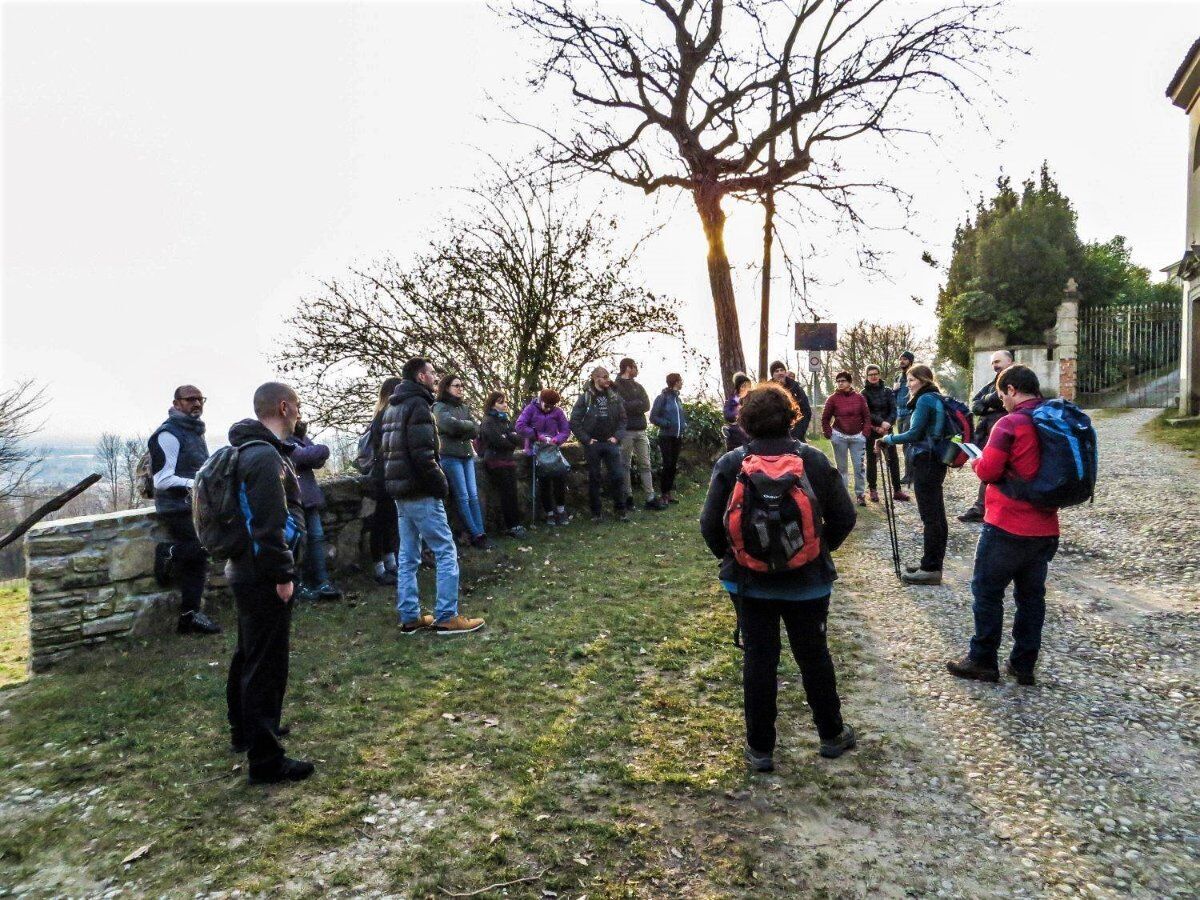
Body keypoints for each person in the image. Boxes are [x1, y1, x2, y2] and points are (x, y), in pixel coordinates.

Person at [699, 383, 858, 771]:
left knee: (759, 658)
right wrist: (815, 551)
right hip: (809, 582)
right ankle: (831, 734)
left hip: (748, 583)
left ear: (745, 421)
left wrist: (735, 556)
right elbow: (845, 517)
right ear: (792, 416)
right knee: (813, 655)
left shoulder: (731, 462)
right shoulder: (813, 459)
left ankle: (760, 749)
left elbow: (709, 525)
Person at [947, 364, 1059, 686]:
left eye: (1001, 394)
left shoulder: (1009, 424)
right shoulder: (1052, 418)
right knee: (1031, 598)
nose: (1002, 401)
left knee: (987, 591)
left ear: (1011, 389)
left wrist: (975, 460)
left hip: (1007, 525)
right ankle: (1024, 664)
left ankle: (982, 660)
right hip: (1045, 527)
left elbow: (989, 471)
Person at [225, 382, 312, 784]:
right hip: (262, 574)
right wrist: (283, 574)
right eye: (296, 405)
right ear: (283, 406)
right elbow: (268, 524)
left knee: (249, 654)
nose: (298, 412)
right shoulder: (263, 457)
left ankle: (247, 732)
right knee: (266, 665)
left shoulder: (249, 450)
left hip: (246, 569)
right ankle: (266, 759)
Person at [381, 358, 485, 635]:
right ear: (420, 376)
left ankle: (409, 616)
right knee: (445, 551)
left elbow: (390, 452)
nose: (436, 377)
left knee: (408, 555)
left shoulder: (394, 405)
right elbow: (423, 454)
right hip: (420, 491)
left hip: (400, 492)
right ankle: (447, 616)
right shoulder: (418, 406)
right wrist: (441, 484)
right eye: (432, 372)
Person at [148, 385, 221, 636]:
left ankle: (189, 616)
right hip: (175, 507)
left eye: (200, 399)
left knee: (197, 562)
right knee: (202, 549)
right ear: (176, 403)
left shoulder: (194, 431)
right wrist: (197, 484)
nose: (197, 403)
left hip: (194, 504)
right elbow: (162, 479)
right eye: (190, 399)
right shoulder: (168, 434)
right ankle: (168, 551)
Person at [880, 364, 949, 585]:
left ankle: (930, 569)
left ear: (923, 380)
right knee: (937, 514)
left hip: (925, 460)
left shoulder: (925, 399)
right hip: (936, 459)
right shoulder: (935, 397)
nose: (908, 384)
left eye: (911, 380)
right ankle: (932, 564)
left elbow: (914, 433)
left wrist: (887, 439)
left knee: (930, 517)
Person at [287, 421, 342, 602]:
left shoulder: (300, 437)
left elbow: (315, 460)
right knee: (298, 542)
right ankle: (299, 585)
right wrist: (319, 451)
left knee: (317, 538)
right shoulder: (281, 438)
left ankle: (322, 582)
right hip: (293, 500)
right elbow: (301, 456)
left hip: (309, 498)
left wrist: (317, 451)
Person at [958, 349, 1015, 523]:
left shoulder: (1016, 381)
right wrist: (987, 404)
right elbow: (974, 404)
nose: (995, 366)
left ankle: (983, 509)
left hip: (1003, 434)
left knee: (996, 471)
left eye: (998, 361)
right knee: (989, 470)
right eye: (993, 363)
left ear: (1010, 362)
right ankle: (984, 508)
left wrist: (988, 402)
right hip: (987, 433)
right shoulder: (992, 383)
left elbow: (999, 399)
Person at [433, 375, 489, 550]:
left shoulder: (464, 407)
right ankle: (476, 534)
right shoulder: (439, 407)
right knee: (463, 496)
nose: (460, 388)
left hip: (466, 456)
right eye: (456, 385)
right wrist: (464, 427)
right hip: (450, 456)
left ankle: (480, 532)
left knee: (473, 495)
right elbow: (448, 426)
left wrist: (461, 427)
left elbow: (476, 429)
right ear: (447, 387)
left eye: (461, 385)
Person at [570, 366, 629, 522]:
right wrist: (587, 439)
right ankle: (596, 514)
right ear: (596, 378)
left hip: (611, 443)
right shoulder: (585, 398)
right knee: (594, 478)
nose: (607, 379)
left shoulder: (614, 396)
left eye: (608, 376)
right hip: (593, 444)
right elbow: (574, 422)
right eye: (604, 376)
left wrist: (617, 437)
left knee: (617, 475)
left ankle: (620, 510)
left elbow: (623, 420)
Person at [613, 358, 668, 511]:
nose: (637, 370)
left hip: (641, 430)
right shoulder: (615, 386)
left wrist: (634, 405)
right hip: (626, 432)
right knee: (625, 465)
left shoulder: (638, 386)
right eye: (635, 367)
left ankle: (650, 498)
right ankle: (628, 497)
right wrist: (636, 404)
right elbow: (621, 406)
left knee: (646, 464)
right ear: (628, 368)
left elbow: (646, 404)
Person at [515, 389, 572, 526]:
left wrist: (556, 439)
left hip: (552, 449)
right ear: (540, 400)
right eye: (546, 405)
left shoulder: (557, 412)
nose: (548, 409)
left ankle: (561, 510)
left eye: (551, 406)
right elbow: (519, 426)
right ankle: (549, 514)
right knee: (544, 482)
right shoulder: (530, 409)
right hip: (535, 450)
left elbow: (565, 430)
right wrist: (537, 436)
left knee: (560, 478)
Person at [365, 377, 402, 585]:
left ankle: (390, 563)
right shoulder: (384, 416)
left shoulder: (383, 415)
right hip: (383, 476)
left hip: (387, 474)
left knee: (389, 520)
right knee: (380, 523)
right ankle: (380, 568)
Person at [478, 391, 528, 538]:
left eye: (505, 402)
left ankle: (515, 524)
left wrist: (508, 438)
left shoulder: (504, 420)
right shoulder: (488, 421)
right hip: (495, 461)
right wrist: (508, 439)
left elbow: (518, 439)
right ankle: (511, 526)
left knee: (512, 493)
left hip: (508, 460)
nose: (505, 404)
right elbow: (497, 441)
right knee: (506, 494)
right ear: (493, 404)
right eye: (501, 402)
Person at [821, 371, 872, 506]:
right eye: (838, 381)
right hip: (839, 437)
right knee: (841, 469)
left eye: (843, 380)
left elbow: (867, 417)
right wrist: (829, 434)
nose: (840, 383)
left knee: (859, 467)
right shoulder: (832, 399)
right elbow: (825, 418)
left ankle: (860, 494)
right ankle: (843, 496)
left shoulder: (860, 398)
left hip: (858, 437)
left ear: (849, 382)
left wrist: (865, 433)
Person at [862, 364, 909, 503]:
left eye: (876, 373)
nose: (874, 376)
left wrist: (887, 423)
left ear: (879, 374)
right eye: (871, 374)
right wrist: (880, 424)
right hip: (872, 431)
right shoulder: (863, 393)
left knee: (893, 460)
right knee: (871, 461)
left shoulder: (887, 391)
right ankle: (873, 490)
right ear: (867, 376)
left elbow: (894, 410)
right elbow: (866, 413)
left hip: (887, 430)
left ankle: (897, 490)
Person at [649, 373, 687, 504]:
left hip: (677, 436)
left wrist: (684, 425)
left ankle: (669, 493)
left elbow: (680, 416)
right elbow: (653, 417)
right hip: (665, 436)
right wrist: (666, 424)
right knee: (667, 464)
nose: (682, 383)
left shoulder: (678, 399)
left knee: (673, 466)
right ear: (675, 382)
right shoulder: (662, 398)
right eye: (681, 381)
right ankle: (664, 493)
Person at [768, 360, 813, 442]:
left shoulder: (796, 388)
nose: (780, 373)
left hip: (796, 436)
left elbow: (806, 411)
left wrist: (799, 431)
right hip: (774, 436)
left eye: (782, 370)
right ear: (772, 375)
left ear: (785, 372)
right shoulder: (767, 391)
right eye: (776, 371)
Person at [893, 351, 915, 485]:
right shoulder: (897, 377)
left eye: (905, 359)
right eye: (900, 359)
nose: (902, 361)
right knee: (904, 446)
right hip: (899, 414)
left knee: (908, 445)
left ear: (910, 361)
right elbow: (895, 396)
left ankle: (909, 475)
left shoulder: (913, 375)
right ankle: (910, 473)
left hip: (910, 413)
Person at [723, 372, 753, 451]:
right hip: (736, 437)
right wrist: (738, 412)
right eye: (743, 386)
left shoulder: (754, 398)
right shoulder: (733, 400)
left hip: (751, 435)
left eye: (748, 386)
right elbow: (727, 415)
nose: (746, 388)